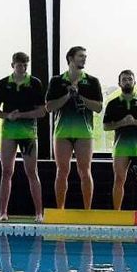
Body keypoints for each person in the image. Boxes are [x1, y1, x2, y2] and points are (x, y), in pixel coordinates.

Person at [46, 46, 104, 210]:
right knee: (62, 171)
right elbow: (49, 107)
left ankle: (87, 210)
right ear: (70, 58)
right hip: (62, 132)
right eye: (81, 56)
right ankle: (60, 210)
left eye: (85, 56)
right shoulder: (57, 81)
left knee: (85, 171)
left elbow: (98, 108)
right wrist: (67, 95)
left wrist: (79, 96)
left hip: (84, 133)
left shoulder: (92, 81)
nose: (84, 59)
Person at [0, 51, 45, 221]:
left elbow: (42, 111)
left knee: (31, 171)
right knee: (6, 171)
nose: (22, 68)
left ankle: (39, 213)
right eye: (19, 65)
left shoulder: (35, 83)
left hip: (28, 134)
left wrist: (21, 115)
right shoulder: (3, 83)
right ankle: (3, 212)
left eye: (25, 65)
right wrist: (8, 116)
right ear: (12, 65)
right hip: (9, 133)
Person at [102, 69, 137, 210]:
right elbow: (106, 126)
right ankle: (117, 214)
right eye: (124, 79)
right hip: (121, 148)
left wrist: (135, 121)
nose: (127, 81)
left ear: (135, 82)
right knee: (119, 180)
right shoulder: (113, 103)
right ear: (119, 83)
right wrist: (123, 123)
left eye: (130, 79)